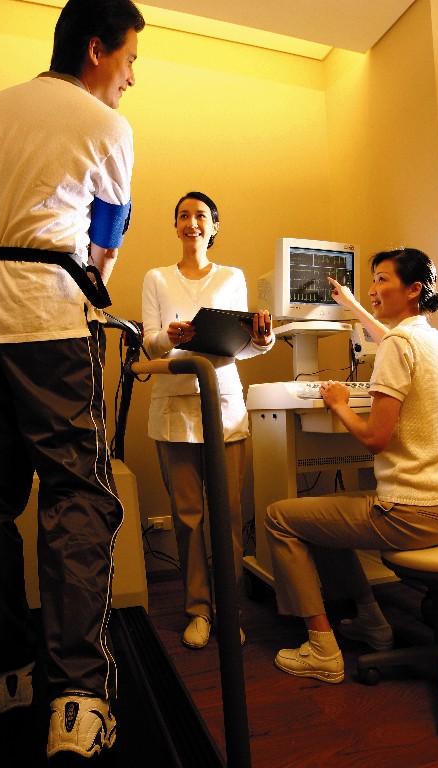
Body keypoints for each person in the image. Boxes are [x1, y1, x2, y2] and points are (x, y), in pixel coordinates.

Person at [0, 0, 145, 759]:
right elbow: (105, 244)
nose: (131, 79)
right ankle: (78, 698)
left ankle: (5, 673)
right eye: (129, 61)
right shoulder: (105, 124)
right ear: (97, 49)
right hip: (46, 318)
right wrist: (88, 281)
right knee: (77, 495)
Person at [265, 247, 438, 685]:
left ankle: (322, 649)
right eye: (372, 280)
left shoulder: (398, 346)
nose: (373, 288)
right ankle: (373, 622)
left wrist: (338, 403)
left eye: (382, 280)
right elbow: (389, 338)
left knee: (280, 517)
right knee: (324, 511)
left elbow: (376, 439)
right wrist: (353, 303)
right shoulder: (430, 338)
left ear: (413, 290)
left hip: (409, 514)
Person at [141, 191, 274, 649]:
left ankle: (228, 608)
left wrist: (263, 339)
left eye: (200, 215)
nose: (191, 222)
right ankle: (197, 609)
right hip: (174, 408)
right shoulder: (157, 278)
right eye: (183, 215)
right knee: (188, 517)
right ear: (175, 226)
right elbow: (150, 344)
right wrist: (169, 336)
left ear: (214, 226)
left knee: (228, 514)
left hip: (223, 406)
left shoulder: (232, 277)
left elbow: (241, 347)